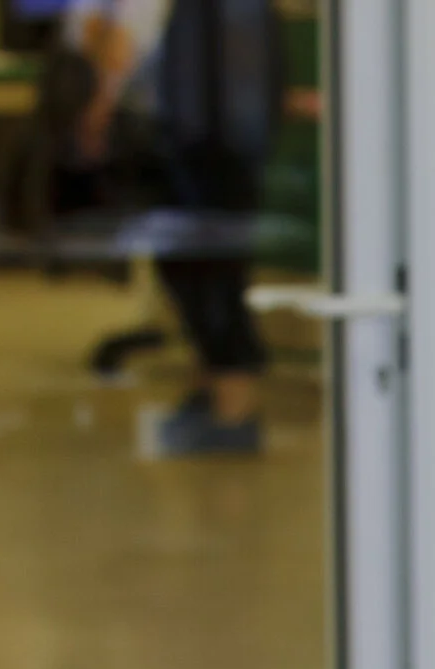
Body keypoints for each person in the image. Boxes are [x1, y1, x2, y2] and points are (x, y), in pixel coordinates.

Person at [72, 0, 282, 456]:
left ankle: (233, 411)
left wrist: (100, 108)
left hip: (207, 147)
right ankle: (211, 394)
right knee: (192, 271)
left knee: (211, 277)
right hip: (206, 143)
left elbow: (124, 51)